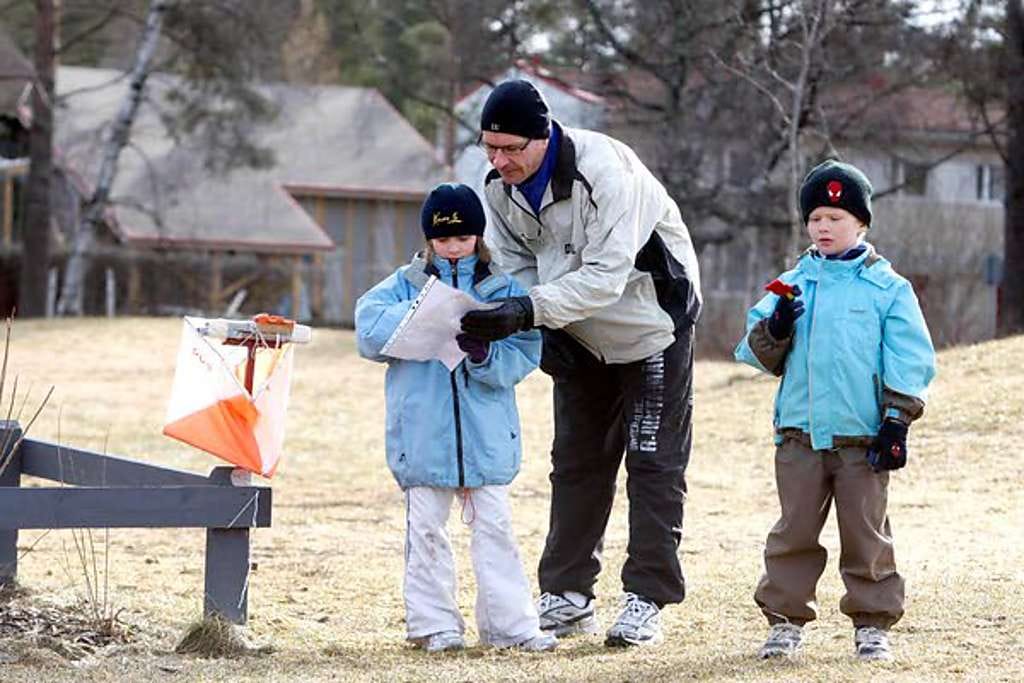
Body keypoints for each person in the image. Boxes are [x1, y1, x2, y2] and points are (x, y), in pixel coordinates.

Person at [459, 79, 703, 647]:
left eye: (510, 148)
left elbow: (606, 275)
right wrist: (529, 313)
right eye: (489, 148)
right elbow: (516, 262)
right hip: (574, 327)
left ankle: (647, 598)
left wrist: (529, 310)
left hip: (651, 326)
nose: (498, 160)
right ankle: (567, 595)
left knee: (652, 464)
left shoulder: (607, 171)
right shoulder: (500, 187)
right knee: (575, 462)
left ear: (543, 136)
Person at [734, 159, 936, 662]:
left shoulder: (889, 289)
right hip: (800, 436)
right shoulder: (791, 285)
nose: (823, 226)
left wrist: (897, 419)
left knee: (866, 535)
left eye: (836, 218)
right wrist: (776, 328)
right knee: (793, 533)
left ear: (862, 224)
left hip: (863, 439)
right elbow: (758, 354)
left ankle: (872, 623)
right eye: (816, 217)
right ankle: (784, 622)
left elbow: (910, 358)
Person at [355, 183, 556, 654]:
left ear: (477, 237)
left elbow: (527, 351)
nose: (453, 246)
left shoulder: (503, 289)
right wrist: (420, 315)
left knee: (496, 529)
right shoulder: (400, 285)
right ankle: (434, 624)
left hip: (486, 437)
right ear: (429, 239)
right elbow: (367, 331)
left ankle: (510, 626)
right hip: (423, 436)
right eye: (443, 238)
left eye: (462, 237)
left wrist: (486, 355)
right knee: (425, 530)